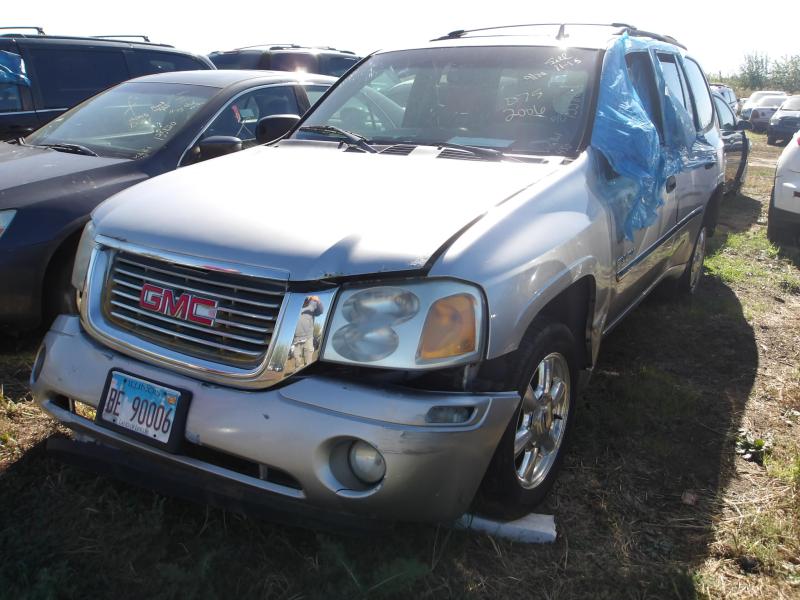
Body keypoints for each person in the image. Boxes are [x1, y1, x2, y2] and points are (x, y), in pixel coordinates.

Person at [291, 295, 324, 367]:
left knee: (308, 361)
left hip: (308, 337)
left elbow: (321, 311)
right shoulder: (295, 304)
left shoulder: (312, 303)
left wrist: (318, 301)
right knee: (297, 361)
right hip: (296, 339)